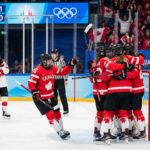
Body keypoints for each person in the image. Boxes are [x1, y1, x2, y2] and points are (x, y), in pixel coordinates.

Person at [28, 54, 76, 139]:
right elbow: (31, 83)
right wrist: (35, 92)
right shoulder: (37, 70)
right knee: (50, 114)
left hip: (51, 96)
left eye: (51, 60)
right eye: (49, 61)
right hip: (40, 98)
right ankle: (59, 132)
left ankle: (62, 129)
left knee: (57, 112)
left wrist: (70, 65)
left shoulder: (53, 68)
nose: (51, 62)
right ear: (44, 62)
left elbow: (62, 72)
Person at [50, 49, 69, 115]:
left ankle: (66, 110)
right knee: (54, 96)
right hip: (52, 80)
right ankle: (56, 109)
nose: (52, 55)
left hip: (60, 80)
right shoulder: (50, 62)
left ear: (57, 54)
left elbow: (65, 70)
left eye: (54, 54)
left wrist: (66, 79)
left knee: (62, 95)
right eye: (52, 54)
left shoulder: (61, 61)